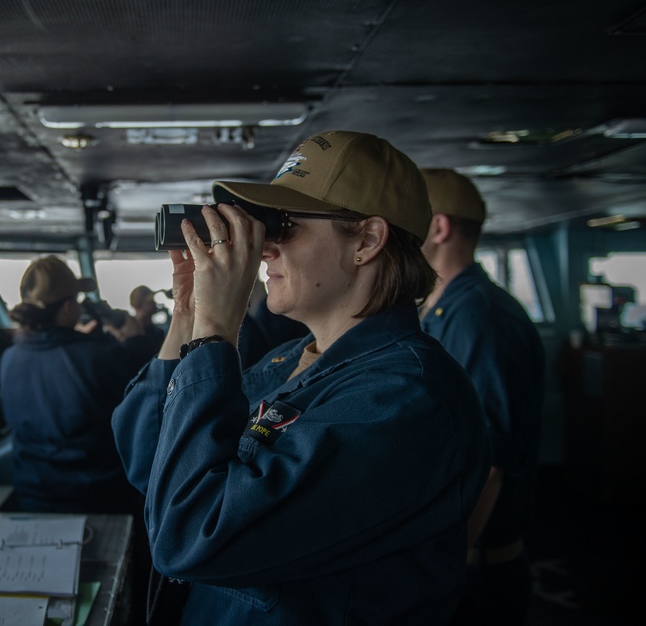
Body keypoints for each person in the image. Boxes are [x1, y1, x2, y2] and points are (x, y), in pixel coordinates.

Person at [111, 130, 491, 625]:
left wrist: (215, 334)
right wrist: (188, 316)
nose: (265, 247)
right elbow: (150, 463)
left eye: (283, 225)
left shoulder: (405, 399)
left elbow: (189, 537)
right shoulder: (291, 360)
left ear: (368, 241)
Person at [419, 169, 545, 626]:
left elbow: (488, 460)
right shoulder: (445, 310)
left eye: (406, 221)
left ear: (438, 227)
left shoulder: (479, 318)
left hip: (476, 571)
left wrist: (445, 568)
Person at [0, 256, 153, 514]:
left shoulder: (9, 358)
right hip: (98, 502)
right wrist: (135, 336)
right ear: (68, 307)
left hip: (33, 499)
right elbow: (146, 384)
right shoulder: (97, 357)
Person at [130, 284, 166, 354]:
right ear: (138, 306)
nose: (155, 303)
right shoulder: (132, 333)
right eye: (150, 302)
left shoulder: (158, 332)